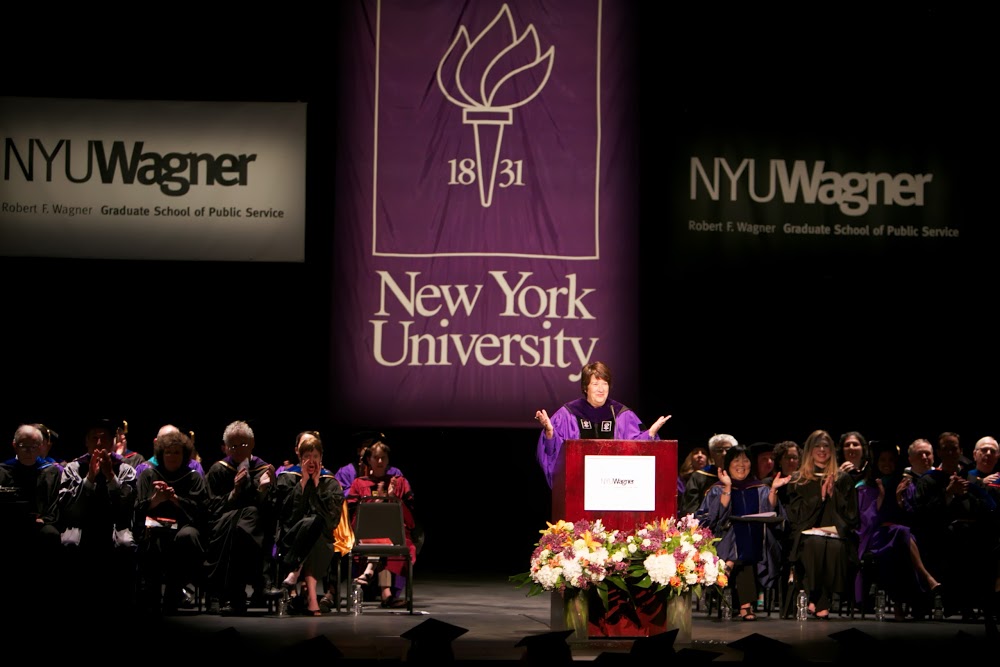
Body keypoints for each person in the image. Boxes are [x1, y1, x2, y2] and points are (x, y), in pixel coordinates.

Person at [534, 361, 671, 489]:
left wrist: (650, 434)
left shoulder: (621, 414)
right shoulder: (568, 414)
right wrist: (550, 432)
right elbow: (554, 454)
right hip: (579, 487)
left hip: (614, 488)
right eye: (595, 384)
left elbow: (635, 447)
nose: (601, 389)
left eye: (605, 384)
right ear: (585, 387)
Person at [695, 443, 788, 620]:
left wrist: (774, 490)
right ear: (728, 464)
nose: (741, 465)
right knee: (739, 534)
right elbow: (713, 518)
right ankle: (746, 606)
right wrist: (728, 488)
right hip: (723, 540)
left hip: (758, 541)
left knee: (745, 537)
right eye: (736, 461)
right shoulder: (718, 488)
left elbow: (771, 511)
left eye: (745, 461)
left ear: (751, 464)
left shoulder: (759, 488)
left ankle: (728, 566)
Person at [57, 417, 139, 613]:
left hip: (114, 525)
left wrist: (111, 476)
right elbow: (70, 510)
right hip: (81, 523)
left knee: (126, 544)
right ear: (86, 441)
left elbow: (126, 510)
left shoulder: (126, 470)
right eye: (94, 438)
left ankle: (123, 604)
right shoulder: (73, 469)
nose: (99, 443)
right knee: (69, 543)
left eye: (104, 438)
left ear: (113, 442)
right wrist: (90, 478)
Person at [854, 441, 941, 620]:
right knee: (901, 533)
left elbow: (911, 518)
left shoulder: (904, 483)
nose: (887, 464)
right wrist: (881, 497)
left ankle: (899, 604)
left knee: (900, 543)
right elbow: (866, 521)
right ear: (876, 462)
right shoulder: (867, 485)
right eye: (883, 460)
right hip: (875, 537)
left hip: (899, 538)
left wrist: (899, 499)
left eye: (891, 460)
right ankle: (925, 577)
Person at [203, 420, 277, 615]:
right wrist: (234, 492)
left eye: (243, 444)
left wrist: (262, 490)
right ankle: (262, 582)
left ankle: (233, 597)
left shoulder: (263, 469)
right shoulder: (218, 470)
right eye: (233, 446)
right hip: (225, 527)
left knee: (244, 524)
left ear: (252, 443)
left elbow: (272, 509)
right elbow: (211, 507)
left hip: (255, 529)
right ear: (226, 447)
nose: (238, 450)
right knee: (242, 523)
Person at [785, 429, 859, 619]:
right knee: (814, 544)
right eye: (817, 446)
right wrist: (821, 496)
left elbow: (852, 517)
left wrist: (834, 495)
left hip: (835, 533)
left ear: (832, 450)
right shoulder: (799, 479)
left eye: (826, 446)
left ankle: (816, 599)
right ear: (809, 450)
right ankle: (820, 601)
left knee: (833, 547)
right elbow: (796, 516)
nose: (822, 450)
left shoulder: (842, 478)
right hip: (806, 534)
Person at [134, 428, 208, 614]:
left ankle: (173, 594)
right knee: (151, 536)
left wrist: (175, 499)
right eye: (168, 452)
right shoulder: (149, 475)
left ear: (184, 455)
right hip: (154, 526)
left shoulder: (193, 477)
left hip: (183, 527)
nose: (172, 456)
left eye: (177, 452)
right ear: (161, 454)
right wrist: (156, 500)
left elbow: (200, 512)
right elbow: (137, 510)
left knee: (187, 537)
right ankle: (151, 595)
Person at [275, 431, 344, 615]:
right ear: (300, 457)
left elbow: (332, 521)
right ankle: (313, 600)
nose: (311, 461)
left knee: (316, 525)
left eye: (315, 456)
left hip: (322, 541)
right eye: (307, 456)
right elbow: (287, 517)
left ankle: (295, 573)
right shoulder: (287, 477)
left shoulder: (330, 483)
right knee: (311, 525)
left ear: (321, 458)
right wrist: (304, 483)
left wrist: (318, 487)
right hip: (292, 538)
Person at [347, 440, 416, 608]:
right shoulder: (359, 483)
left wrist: (392, 498)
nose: (379, 461)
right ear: (369, 459)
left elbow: (409, 513)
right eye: (376, 457)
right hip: (366, 533)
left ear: (388, 460)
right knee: (381, 538)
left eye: (383, 457)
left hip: (395, 532)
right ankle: (386, 595)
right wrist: (376, 503)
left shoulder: (398, 482)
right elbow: (353, 513)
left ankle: (373, 575)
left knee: (391, 540)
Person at [0, 424, 63, 606]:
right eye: (24, 446)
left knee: (50, 534)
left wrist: (43, 519)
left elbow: (53, 506)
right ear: (14, 446)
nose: (29, 451)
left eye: (34, 446)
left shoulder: (50, 471)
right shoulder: (3, 471)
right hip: (9, 527)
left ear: (41, 446)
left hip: (39, 527)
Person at [679, 433, 736, 517]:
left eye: (728, 450)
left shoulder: (740, 476)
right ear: (712, 454)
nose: (724, 454)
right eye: (719, 450)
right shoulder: (699, 476)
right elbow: (690, 510)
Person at [335, 430, 403, 492]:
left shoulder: (394, 473)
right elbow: (339, 496)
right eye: (367, 446)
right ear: (359, 451)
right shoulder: (345, 473)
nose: (371, 450)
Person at [677, 445, 709, 516]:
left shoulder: (713, 478)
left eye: (703, 453)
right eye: (696, 453)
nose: (700, 455)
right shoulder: (681, 480)